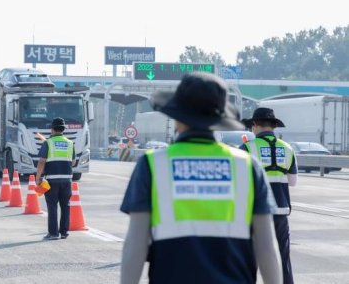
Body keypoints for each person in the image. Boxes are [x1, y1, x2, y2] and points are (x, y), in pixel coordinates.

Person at [120, 72, 282, 284]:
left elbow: (136, 243)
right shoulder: (247, 167)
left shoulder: (152, 165)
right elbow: (267, 248)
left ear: (178, 118)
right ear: (219, 118)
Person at [241, 107, 297, 284]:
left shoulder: (247, 147)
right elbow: (292, 181)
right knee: (282, 259)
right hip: (281, 210)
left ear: (255, 125)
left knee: (248, 260)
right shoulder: (287, 148)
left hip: (254, 212)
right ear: (273, 126)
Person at [36, 117, 76, 240]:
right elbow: (73, 162)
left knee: (52, 206)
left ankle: (53, 233)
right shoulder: (70, 143)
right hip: (67, 180)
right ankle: (64, 232)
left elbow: (42, 161)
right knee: (65, 206)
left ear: (52, 129)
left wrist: (38, 178)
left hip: (52, 180)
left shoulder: (48, 143)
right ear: (63, 129)